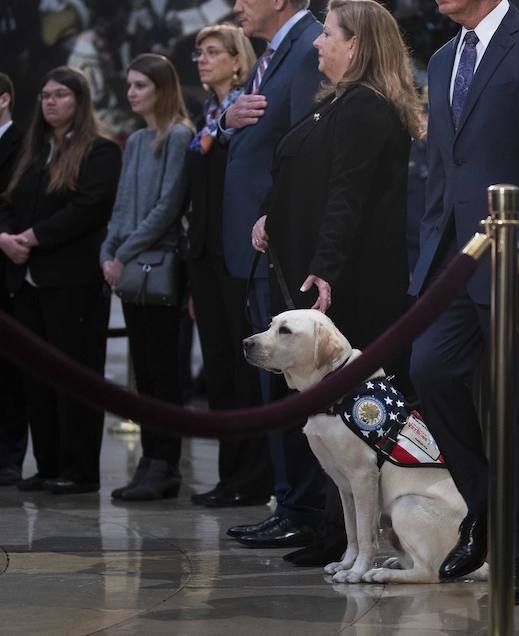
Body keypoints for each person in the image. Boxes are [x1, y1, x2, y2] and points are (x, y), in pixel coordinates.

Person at [408, 0, 519, 604]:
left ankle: (516, 555)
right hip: (453, 263)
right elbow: (442, 165)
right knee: (429, 369)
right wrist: (429, 252)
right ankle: (485, 510)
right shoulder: (439, 58)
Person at [250, 0, 417, 563]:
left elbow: (346, 196)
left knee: (350, 419)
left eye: (327, 34)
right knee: (328, 422)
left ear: (357, 45)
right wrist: (275, 215)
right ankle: (337, 534)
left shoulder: (367, 108)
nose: (318, 44)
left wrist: (324, 267)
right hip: (326, 273)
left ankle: (352, 540)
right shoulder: (341, 104)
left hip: (352, 285)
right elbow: (311, 180)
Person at [216, 0, 329, 560]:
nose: (236, 5)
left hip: (282, 241)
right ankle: (287, 502)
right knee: (272, 380)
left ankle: (303, 509)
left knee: (292, 380)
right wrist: (224, 118)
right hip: (259, 242)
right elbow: (249, 127)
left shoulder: (310, 44)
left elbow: (302, 147)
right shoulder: (273, 52)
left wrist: (274, 213)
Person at [0, 66, 120, 494]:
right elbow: (9, 198)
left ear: (79, 101)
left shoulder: (100, 150)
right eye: (46, 95)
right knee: (36, 379)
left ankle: (78, 469)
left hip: (72, 280)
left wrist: (31, 238)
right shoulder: (32, 151)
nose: (51, 102)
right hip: (26, 279)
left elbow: (88, 207)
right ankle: (48, 464)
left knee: (75, 376)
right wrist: (8, 238)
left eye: (61, 95)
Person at [184, 23, 272, 508]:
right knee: (217, 369)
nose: (202, 59)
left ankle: (252, 478)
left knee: (243, 369)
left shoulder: (246, 107)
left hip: (238, 253)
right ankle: (228, 475)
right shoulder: (210, 114)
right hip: (205, 255)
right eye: (199, 51)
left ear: (237, 60)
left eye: (212, 51)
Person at [100, 53, 193, 500]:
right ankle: (151, 461)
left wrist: (123, 253)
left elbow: (167, 207)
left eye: (141, 86)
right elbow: (122, 207)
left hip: (158, 267)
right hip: (131, 267)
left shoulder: (178, 135)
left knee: (162, 371)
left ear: (161, 88)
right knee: (145, 374)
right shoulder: (136, 139)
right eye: (130, 85)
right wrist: (108, 252)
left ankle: (164, 464)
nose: (132, 93)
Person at [0, 72, 27, 486]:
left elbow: (16, 200)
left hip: (9, 263)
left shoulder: (21, 141)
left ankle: (9, 457)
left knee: (10, 370)